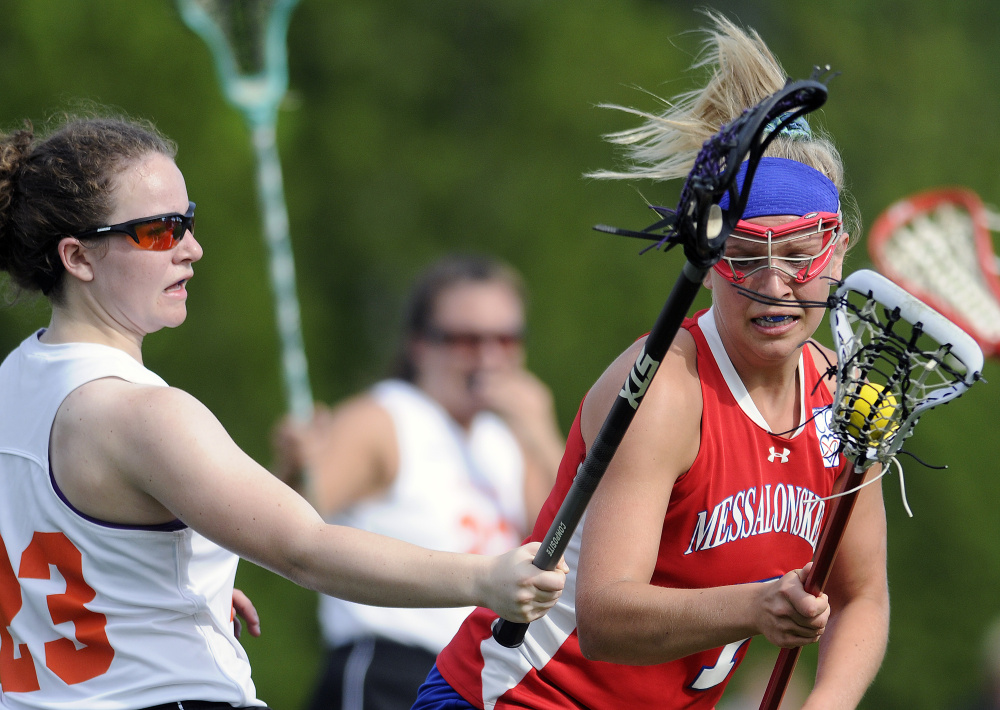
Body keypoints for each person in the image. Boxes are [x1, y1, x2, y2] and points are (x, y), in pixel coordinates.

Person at [0, 114, 567, 710]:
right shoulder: (143, 413)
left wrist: (186, 583)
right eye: (159, 232)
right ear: (77, 257)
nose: (192, 248)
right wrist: (486, 580)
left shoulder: (15, 383)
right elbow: (305, 548)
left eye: (187, 221)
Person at [413, 13, 889, 710]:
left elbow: (863, 597)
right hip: (519, 698)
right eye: (746, 256)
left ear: (841, 247)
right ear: (709, 261)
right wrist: (756, 608)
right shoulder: (668, 389)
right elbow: (606, 619)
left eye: (799, 253)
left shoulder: (844, 400)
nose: (775, 284)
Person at [271, 254, 564, 710]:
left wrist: (544, 435)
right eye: (466, 340)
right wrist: (294, 468)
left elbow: (568, 550)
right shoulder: (385, 418)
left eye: (505, 340)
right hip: (388, 670)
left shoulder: (507, 440)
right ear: (420, 345)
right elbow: (290, 522)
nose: (489, 358)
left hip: (476, 675)